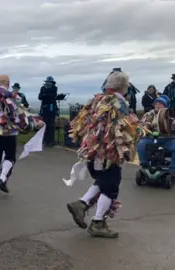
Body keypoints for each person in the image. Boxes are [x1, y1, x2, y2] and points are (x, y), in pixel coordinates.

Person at [66, 71, 140, 238]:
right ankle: (97, 223)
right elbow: (122, 129)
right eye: (127, 85)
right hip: (108, 152)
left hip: (92, 150)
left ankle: (82, 204)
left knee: (104, 182)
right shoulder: (118, 103)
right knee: (111, 186)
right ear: (122, 86)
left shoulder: (96, 100)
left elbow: (82, 123)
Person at [0, 75, 43, 195]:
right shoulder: (11, 96)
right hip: (8, 132)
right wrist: (35, 122)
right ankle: (2, 179)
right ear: (8, 83)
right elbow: (20, 113)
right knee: (10, 156)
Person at [137, 95, 175, 171]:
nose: (157, 105)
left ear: (165, 106)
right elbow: (141, 126)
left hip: (168, 139)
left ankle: (172, 169)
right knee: (141, 144)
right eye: (156, 103)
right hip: (152, 138)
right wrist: (146, 126)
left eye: (160, 104)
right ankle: (145, 166)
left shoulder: (171, 114)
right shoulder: (149, 114)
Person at [38, 76, 58, 147]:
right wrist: (46, 95)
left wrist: (45, 95)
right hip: (44, 108)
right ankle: (45, 141)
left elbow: (53, 96)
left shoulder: (54, 88)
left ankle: (51, 141)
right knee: (44, 124)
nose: (48, 83)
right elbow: (40, 97)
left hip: (51, 107)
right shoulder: (42, 88)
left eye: (49, 82)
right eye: (47, 82)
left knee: (51, 125)